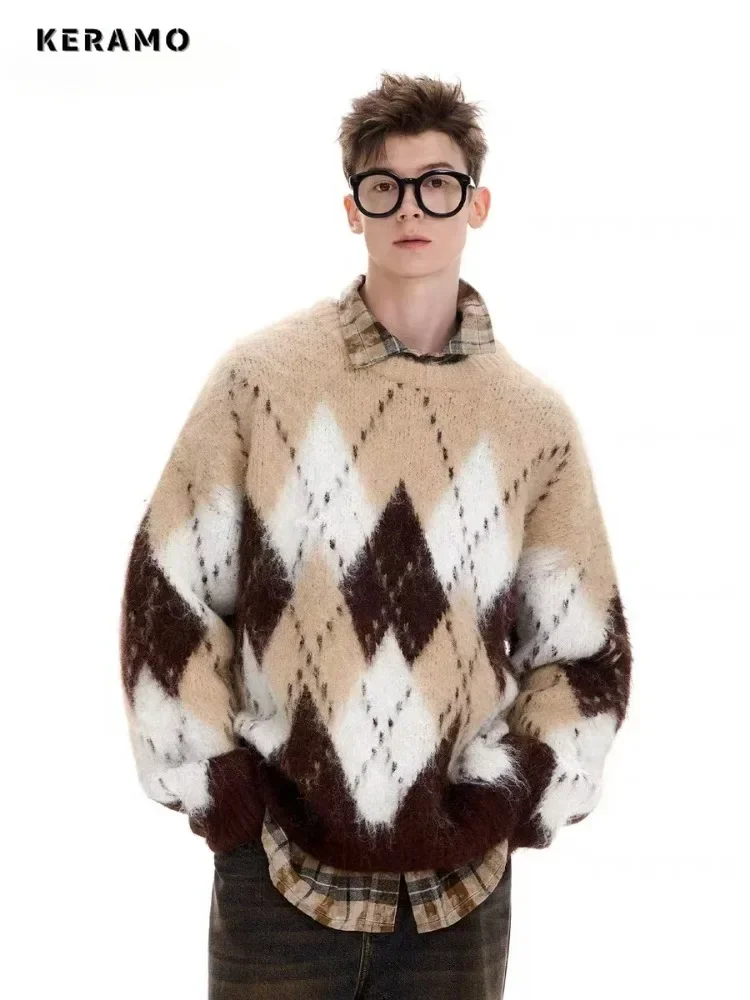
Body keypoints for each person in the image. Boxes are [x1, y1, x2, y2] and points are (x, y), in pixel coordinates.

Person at [119, 71, 633, 999]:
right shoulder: (261, 383)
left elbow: (582, 653)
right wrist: (218, 790)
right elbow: (170, 588)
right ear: (352, 207)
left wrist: (512, 797)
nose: (411, 208)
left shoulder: (534, 424)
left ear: (477, 203)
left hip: (460, 896)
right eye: (383, 186)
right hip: (276, 878)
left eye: (437, 183)